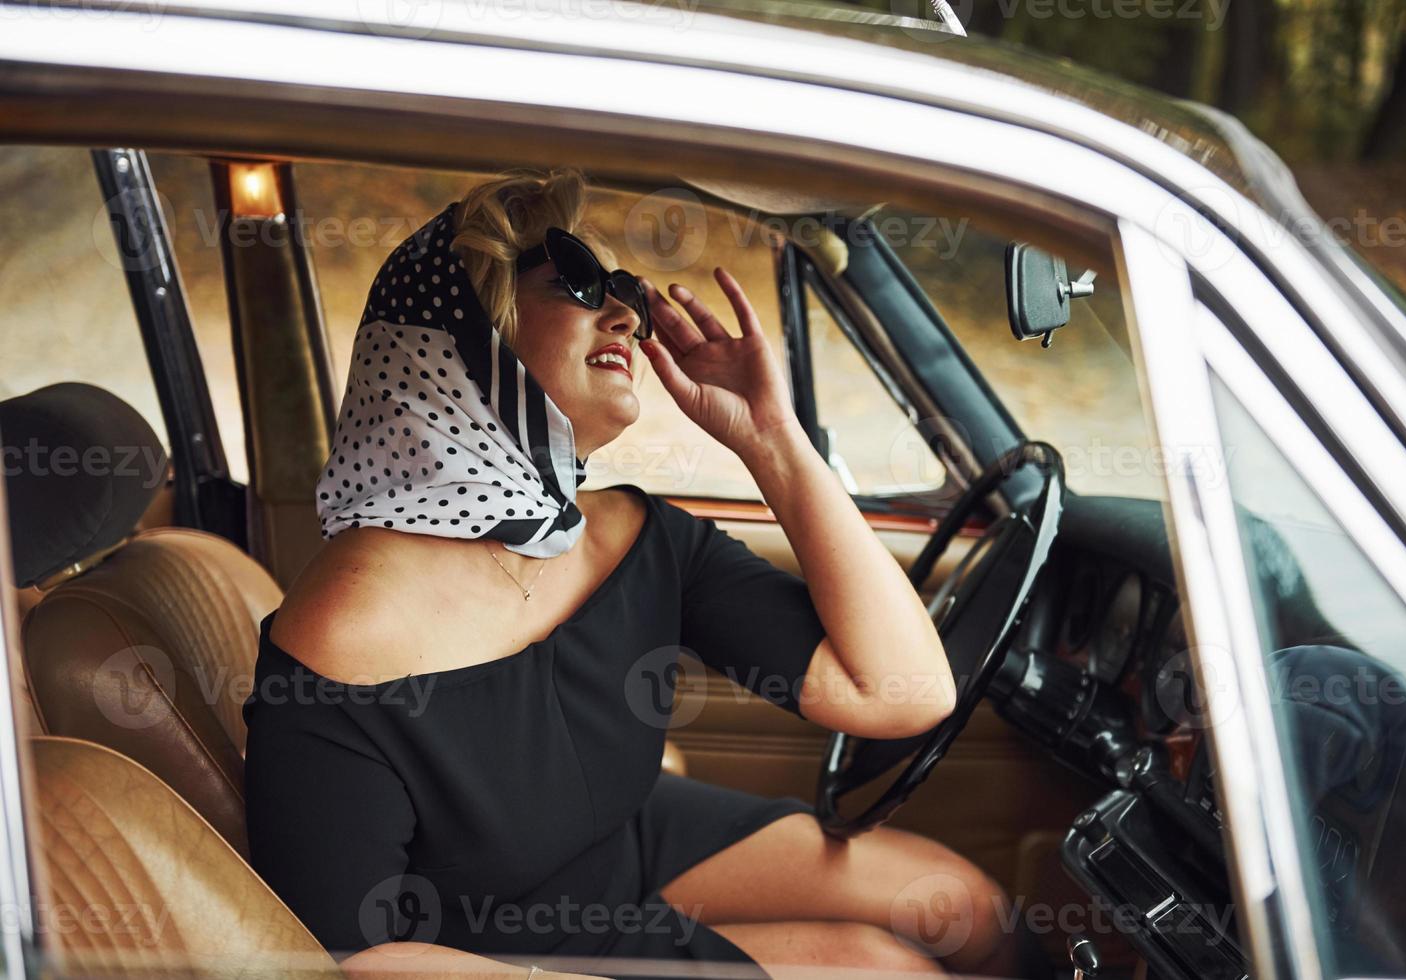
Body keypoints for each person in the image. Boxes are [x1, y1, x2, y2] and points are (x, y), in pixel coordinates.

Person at [243, 166, 1023, 979]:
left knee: (960, 907)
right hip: (496, 945)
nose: (623, 312)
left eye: (623, 289)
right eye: (575, 282)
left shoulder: (634, 537)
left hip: (624, 835)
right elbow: (349, 959)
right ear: (466, 337)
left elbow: (902, 692)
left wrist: (772, 440)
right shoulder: (342, 638)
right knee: (884, 970)